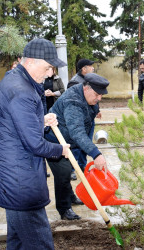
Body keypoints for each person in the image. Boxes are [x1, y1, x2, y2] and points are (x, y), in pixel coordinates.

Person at [0, 38, 70, 250]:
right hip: (19, 182)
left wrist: (41, 120)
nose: (49, 74)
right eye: (47, 67)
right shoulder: (22, 91)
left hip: (11, 176)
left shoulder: (15, 80)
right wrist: (60, 150)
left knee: (18, 242)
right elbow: (35, 145)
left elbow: (15, 125)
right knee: (40, 243)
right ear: (31, 62)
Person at [45, 73, 110, 220]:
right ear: (86, 88)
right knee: (63, 173)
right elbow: (77, 131)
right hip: (55, 141)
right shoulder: (73, 101)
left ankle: (70, 196)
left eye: (101, 95)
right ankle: (64, 209)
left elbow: (90, 110)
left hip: (70, 141)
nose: (99, 98)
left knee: (71, 170)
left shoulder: (88, 95)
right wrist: (96, 154)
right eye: (97, 94)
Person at [67, 58, 100, 180]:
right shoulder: (74, 82)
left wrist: (97, 110)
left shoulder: (91, 80)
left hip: (90, 118)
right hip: (80, 120)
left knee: (86, 144)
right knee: (76, 144)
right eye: (90, 66)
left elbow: (96, 96)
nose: (92, 68)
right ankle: (72, 169)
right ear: (84, 69)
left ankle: (82, 167)